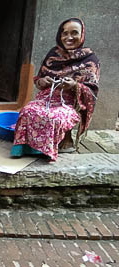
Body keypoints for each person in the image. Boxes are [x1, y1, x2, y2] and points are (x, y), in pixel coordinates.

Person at [11, 18, 100, 161]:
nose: (69, 37)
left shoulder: (90, 59)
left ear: (82, 34)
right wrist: (43, 81)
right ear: (60, 35)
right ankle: (25, 148)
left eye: (74, 33)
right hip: (47, 98)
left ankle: (47, 149)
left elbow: (92, 91)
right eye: (65, 33)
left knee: (54, 117)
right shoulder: (53, 54)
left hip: (71, 103)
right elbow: (39, 81)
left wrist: (74, 85)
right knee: (27, 111)